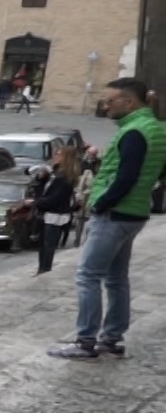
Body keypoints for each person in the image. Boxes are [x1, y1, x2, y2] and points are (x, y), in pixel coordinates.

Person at [50, 78, 166, 359]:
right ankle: (112, 338)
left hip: (115, 213)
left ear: (129, 102)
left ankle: (85, 341)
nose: (105, 106)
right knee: (116, 278)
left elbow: (126, 176)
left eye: (110, 101)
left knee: (88, 276)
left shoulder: (134, 133)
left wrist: (102, 203)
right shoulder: (156, 129)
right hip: (135, 212)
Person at [32, 155, 76, 275]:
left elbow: (56, 198)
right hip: (45, 212)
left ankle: (45, 269)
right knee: (41, 244)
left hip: (55, 214)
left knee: (48, 244)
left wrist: (36, 202)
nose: (55, 157)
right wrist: (41, 177)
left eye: (59, 154)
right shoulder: (54, 172)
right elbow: (43, 188)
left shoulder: (65, 178)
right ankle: (41, 268)